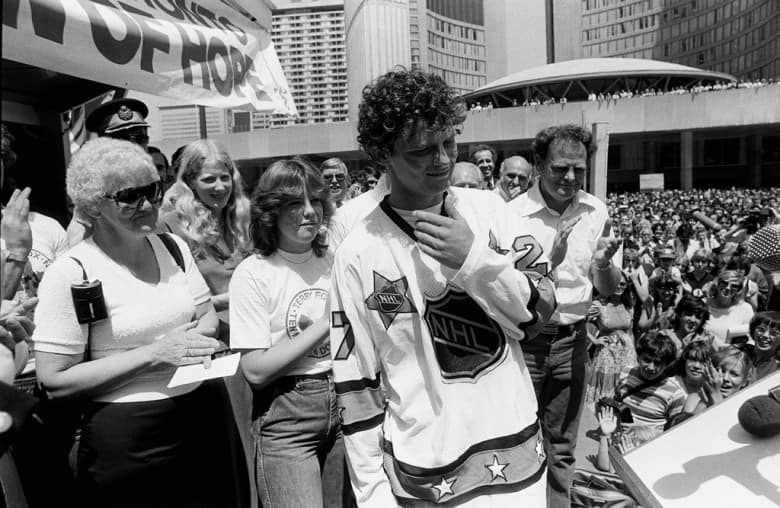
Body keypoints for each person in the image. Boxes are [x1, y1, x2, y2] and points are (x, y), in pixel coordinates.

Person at [330, 68, 555, 506]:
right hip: (425, 472)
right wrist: (373, 495)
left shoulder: (490, 212)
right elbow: (356, 383)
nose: (443, 160)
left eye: (449, 142)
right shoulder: (357, 253)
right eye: (422, 150)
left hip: (515, 458)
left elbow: (536, 318)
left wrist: (473, 260)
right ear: (383, 153)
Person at [31, 138, 224, 507]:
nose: (148, 205)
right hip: (127, 437)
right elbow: (54, 380)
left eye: (151, 190)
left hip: (200, 415)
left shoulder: (173, 247)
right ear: (93, 206)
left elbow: (207, 318)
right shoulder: (71, 271)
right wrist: (154, 354)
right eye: (128, 197)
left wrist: (183, 346)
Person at [504, 124, 622, 508]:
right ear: (539, 165)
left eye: (579, 170)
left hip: (574, 341)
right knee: (518, 441)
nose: (570, 179)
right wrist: (547, 264)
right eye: (560, 168)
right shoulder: (512, 217)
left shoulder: (596, 211)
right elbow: (504, 291)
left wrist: (603, 264)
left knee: (563, 447)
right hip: (525, 344)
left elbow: (606, 288)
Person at [230, 158, 352, 508]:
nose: (310, 212)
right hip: (287, 417)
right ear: (271, 210)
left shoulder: (337, 259)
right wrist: (328, 321)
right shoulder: (254, 274)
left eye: (316, 201)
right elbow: (255, 370)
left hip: (346, 401)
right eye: (296, 203)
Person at [157, 139, 254, 507]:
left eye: (225, 177)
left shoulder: (243, 216)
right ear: (190, 182)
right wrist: (227, 301)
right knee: (227, 449)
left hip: (254, 343)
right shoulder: (171, 226)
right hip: (213, 354)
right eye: (209, 179)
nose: (220, 187)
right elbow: (172, 300)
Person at [68, 97, 153, 246]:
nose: (134, 145)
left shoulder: (151, 178)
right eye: (122, 138)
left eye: (140, 137)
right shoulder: (95, 186)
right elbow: (80, 238)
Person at [615, 331, 686, 438]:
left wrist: (643, 432)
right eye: (647, 360)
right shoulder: (625, 373)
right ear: (638, 357)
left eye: (657, 363)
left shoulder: (675, 394)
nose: (651, 367)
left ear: (666, 364)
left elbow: (674, 432)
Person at [704, 268, 755, 348]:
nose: (728, 288)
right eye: (724, 283)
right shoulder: (705, 304)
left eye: (734, 286)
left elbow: (751, 339)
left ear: (739, 290)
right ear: (717, 283)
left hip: (729, 356)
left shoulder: (745, 309)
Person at [750, 311, 780, 380]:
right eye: (761, 329)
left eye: (773, 333)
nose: (765, 335)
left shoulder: (777, 371)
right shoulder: (739, 353)